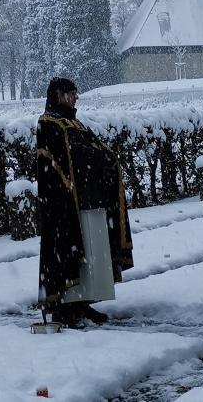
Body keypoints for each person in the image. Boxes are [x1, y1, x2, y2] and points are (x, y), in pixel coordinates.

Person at [37, 77, 134, 328]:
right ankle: (65, 307)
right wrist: (96, 158)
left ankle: (81, 302)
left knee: (88, 253)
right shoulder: (49, 123)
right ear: (58, 95)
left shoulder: (73, 122)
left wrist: (105, 159)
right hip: (66, 203)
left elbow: (95, 151)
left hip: (89, 199)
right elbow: (65, 160)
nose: (76, 97)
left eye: (75, 92)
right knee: (68, 254)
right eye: (71, 93)